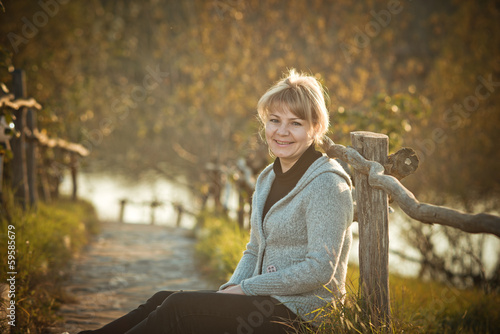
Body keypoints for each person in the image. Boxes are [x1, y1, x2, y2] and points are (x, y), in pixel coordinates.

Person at [77, 69, 353, 334]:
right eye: (274, 120)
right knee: (162, 298)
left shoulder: (327, 184)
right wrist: (230, 289)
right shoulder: (268, 178)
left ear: (315, 128)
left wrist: (246, 289)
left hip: (305, 316)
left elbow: (320, 269)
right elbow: (255, 250)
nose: (281, 132)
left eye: (295, 123)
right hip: (267, 301)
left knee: (179, 309)